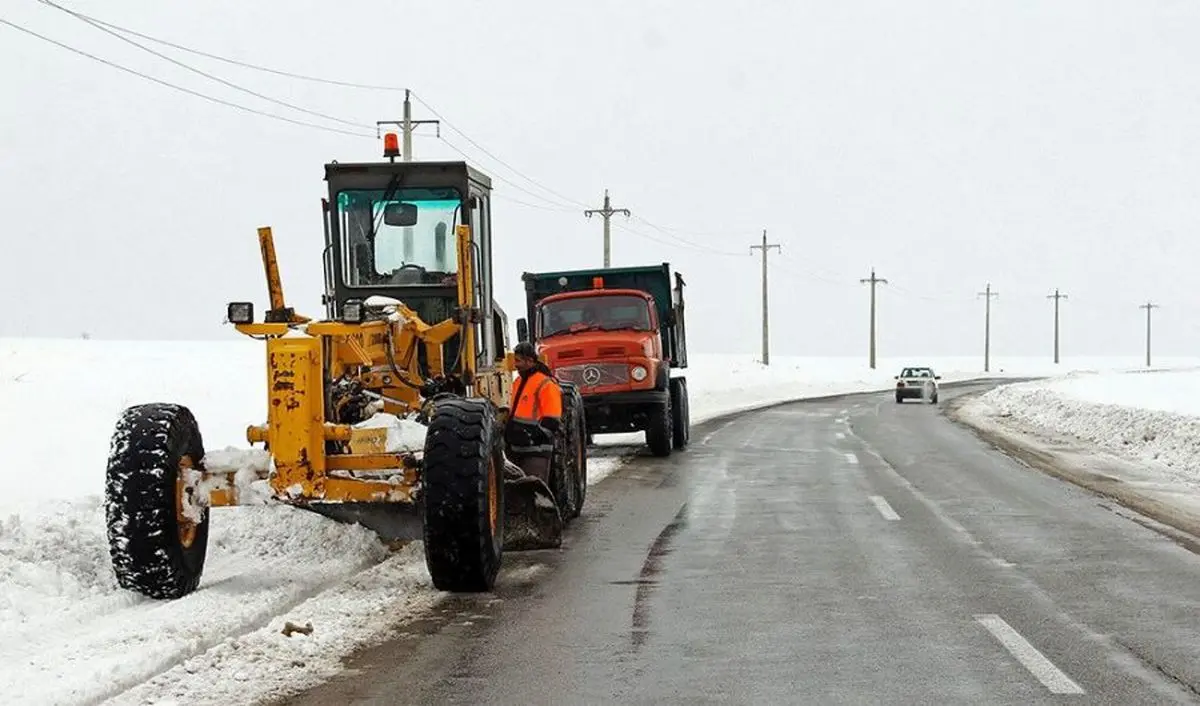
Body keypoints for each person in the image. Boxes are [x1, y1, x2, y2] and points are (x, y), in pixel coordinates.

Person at [504, 341, 562, 483]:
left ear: (529, 361)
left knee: (534, 493)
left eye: (518, 361)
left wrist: (531, 435)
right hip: (517, 450)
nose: (515, 365)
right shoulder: (517, 382)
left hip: (537, 452)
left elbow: (552, 421)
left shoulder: (546, 384)